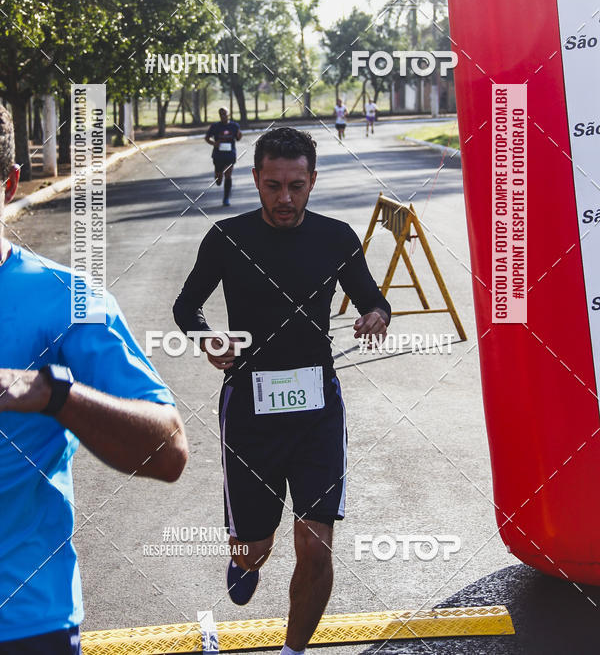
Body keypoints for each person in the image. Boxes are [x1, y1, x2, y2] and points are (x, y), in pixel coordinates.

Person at [173, 127, 390, 655]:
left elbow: (373, 299)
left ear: (312, 180)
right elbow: (187, 306)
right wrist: (209, 338)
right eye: (273, 185)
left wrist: (375, 317)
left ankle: (293, 651)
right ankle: (244, 558)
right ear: (255, 179)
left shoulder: (337, 237)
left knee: (314, 547)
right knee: (256, 547)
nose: (285, 198)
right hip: (249, 408)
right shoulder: (227, 237)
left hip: (318, 409)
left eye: (296, 185)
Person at [0, 106, 189, 654]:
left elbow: (169, 452)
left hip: (24, 624)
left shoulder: (69, 300)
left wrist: (55, 395)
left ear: (10, 185)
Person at [205, 107, 242, 206]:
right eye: (221, 114)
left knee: (228, 175)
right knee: (219, 180)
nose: (223, 116)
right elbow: (207, 138)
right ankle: (218, 176)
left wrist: (239, 135)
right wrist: (214, 143)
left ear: (228, 114)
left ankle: (226, 198)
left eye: (225, 114)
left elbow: (238, 138)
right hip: (218, 155)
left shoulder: (234, 126)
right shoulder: (215, 126)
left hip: (230, 154)